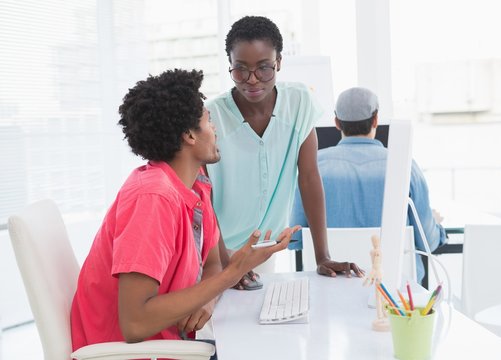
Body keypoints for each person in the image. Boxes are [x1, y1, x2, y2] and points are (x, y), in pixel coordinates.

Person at [70, 69, 299, 353]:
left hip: (170, 344)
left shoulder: (197, 186)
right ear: (190, 135)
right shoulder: (153, 199)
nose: (215, 130)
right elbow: (135, 324)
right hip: (127, 354)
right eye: (209, 121)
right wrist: (236, 270)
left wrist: (207, 298)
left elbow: (213, 263)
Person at [205, 15, 363, 288]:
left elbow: (309, 178)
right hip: (214, 253)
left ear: (279, 63)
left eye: (264, 68)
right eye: (240, 69)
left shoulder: (299, 102)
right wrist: (225, 266)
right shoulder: (210, 116)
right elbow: (203, 198)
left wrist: (322, 256)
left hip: (263, 251)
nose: (252, 80)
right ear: (229, 66)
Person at [289, 87, 446, 283]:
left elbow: (294, 241)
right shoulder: (405, 165)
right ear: (375, 120)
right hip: (395, 295)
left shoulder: (312, 169)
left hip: (331, 288)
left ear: (337, 123)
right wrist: (436, 225)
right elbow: (428, 243)